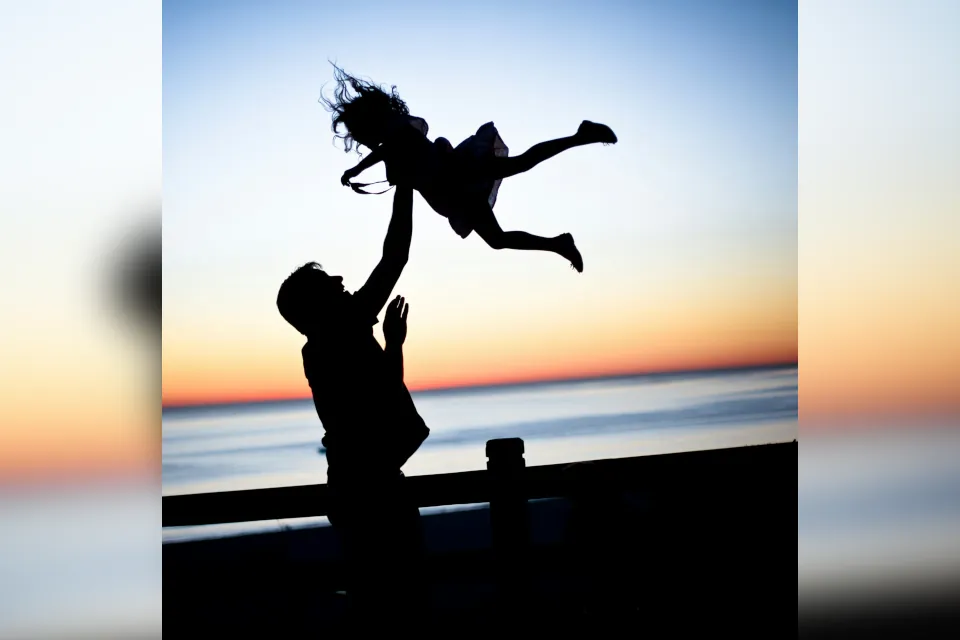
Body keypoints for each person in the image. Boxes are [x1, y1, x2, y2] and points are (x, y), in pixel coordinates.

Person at [276, 184, 429, 623]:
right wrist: (405, 180)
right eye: (329, 282)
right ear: (317, 305)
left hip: (355, 486)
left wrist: (392, 344)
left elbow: (382, 390)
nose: (342, 281)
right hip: (375, 489)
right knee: (402, 601)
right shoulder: (341, 327)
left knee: (378, 598)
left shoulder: (320, 349)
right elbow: (395, 255)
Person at [320, 63, 619, 273]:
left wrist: (356, 171)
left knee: (521, 166)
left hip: (460, 175)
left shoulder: (397, 134)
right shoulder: (393, 141)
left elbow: (389, 152)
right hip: (456, 193)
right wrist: (358, 171)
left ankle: (582, 135)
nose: (360, 139)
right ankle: (558, 244)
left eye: (358, 132)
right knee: (498, 239)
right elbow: (389, 156)